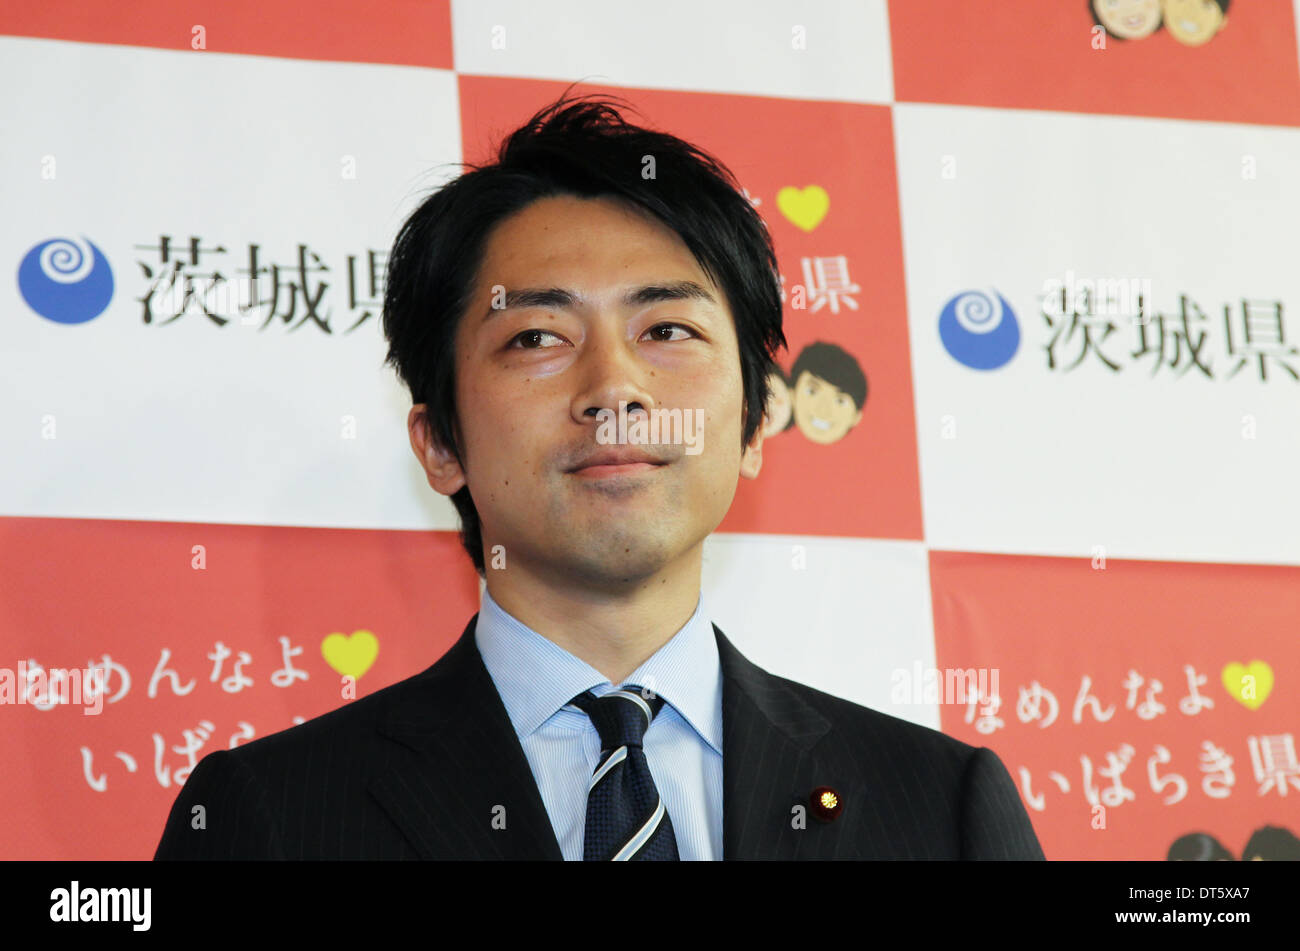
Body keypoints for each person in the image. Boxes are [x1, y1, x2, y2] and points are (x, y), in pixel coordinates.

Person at [154, 90, 1045, 861]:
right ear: (438, 442)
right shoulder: (267, 815)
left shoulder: (940, 806)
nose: (614, 386)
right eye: (536, 337)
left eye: (667, 331)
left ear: (751, 422)